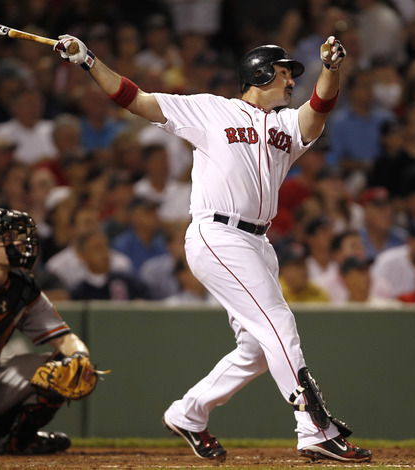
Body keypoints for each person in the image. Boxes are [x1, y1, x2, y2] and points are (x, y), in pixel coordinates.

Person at [53, 32, 371, 462]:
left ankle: (188, 413)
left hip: (257, 242)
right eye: (284, 73)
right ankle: (313, 428)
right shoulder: (210, 109)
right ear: (260, 74)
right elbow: (136, 99)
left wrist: (331, 69)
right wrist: (89, 60)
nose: (291, 81)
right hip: (218, 233)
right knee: (279, 323)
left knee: (257, 349)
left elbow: (320, 108)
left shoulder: (285, 125)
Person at [0, 208, 99, 454]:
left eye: (18, 236)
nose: (18, 243)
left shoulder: (23, 289)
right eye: (7, 237)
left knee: (61, 367)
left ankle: (10, 439)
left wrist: (81, 358)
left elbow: (65, 339)